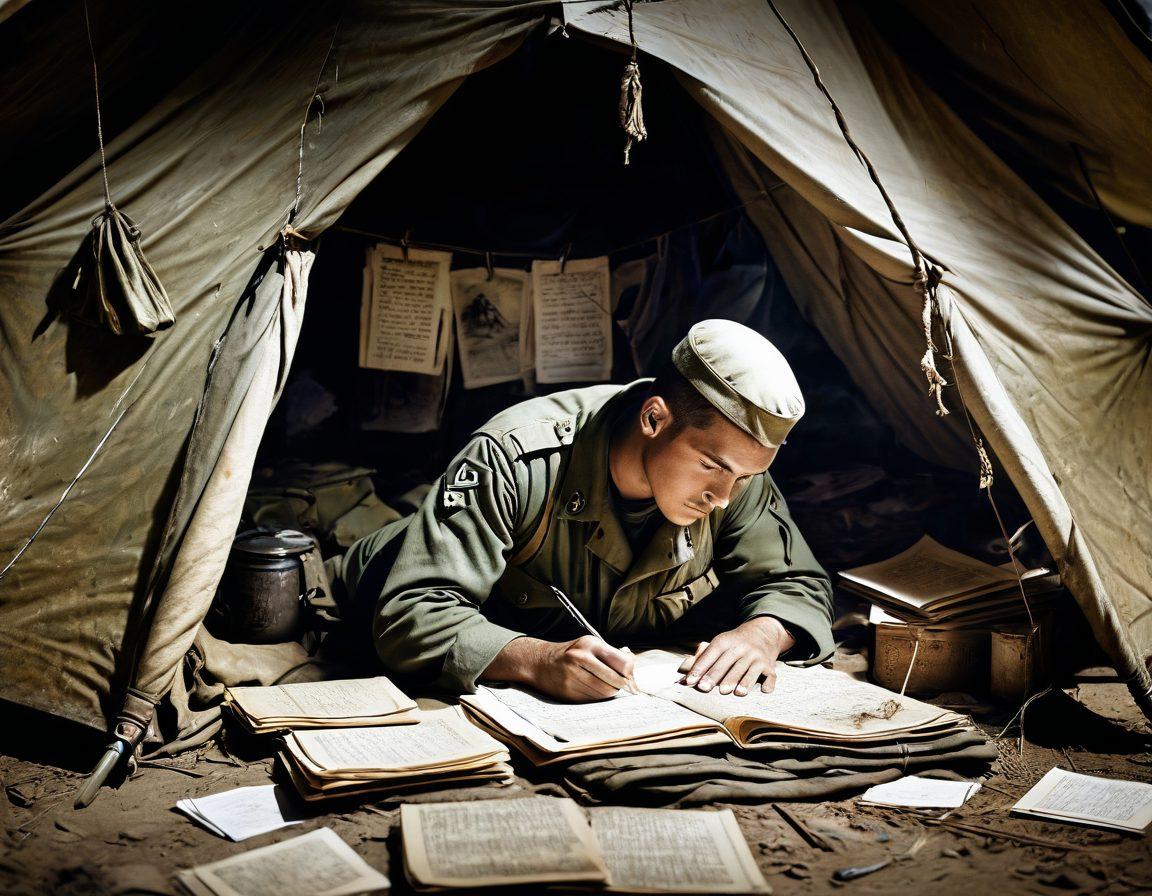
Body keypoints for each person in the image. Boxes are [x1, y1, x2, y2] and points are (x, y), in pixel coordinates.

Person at [331, 319, 834, 702]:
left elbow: (797, 582)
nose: (724, 496)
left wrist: (762, 634)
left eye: (744, 476)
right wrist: (538, 660)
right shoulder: (514, 458)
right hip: (363, 598)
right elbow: (411, 612)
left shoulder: (735, 472)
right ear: (654, 418)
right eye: (711, 467)